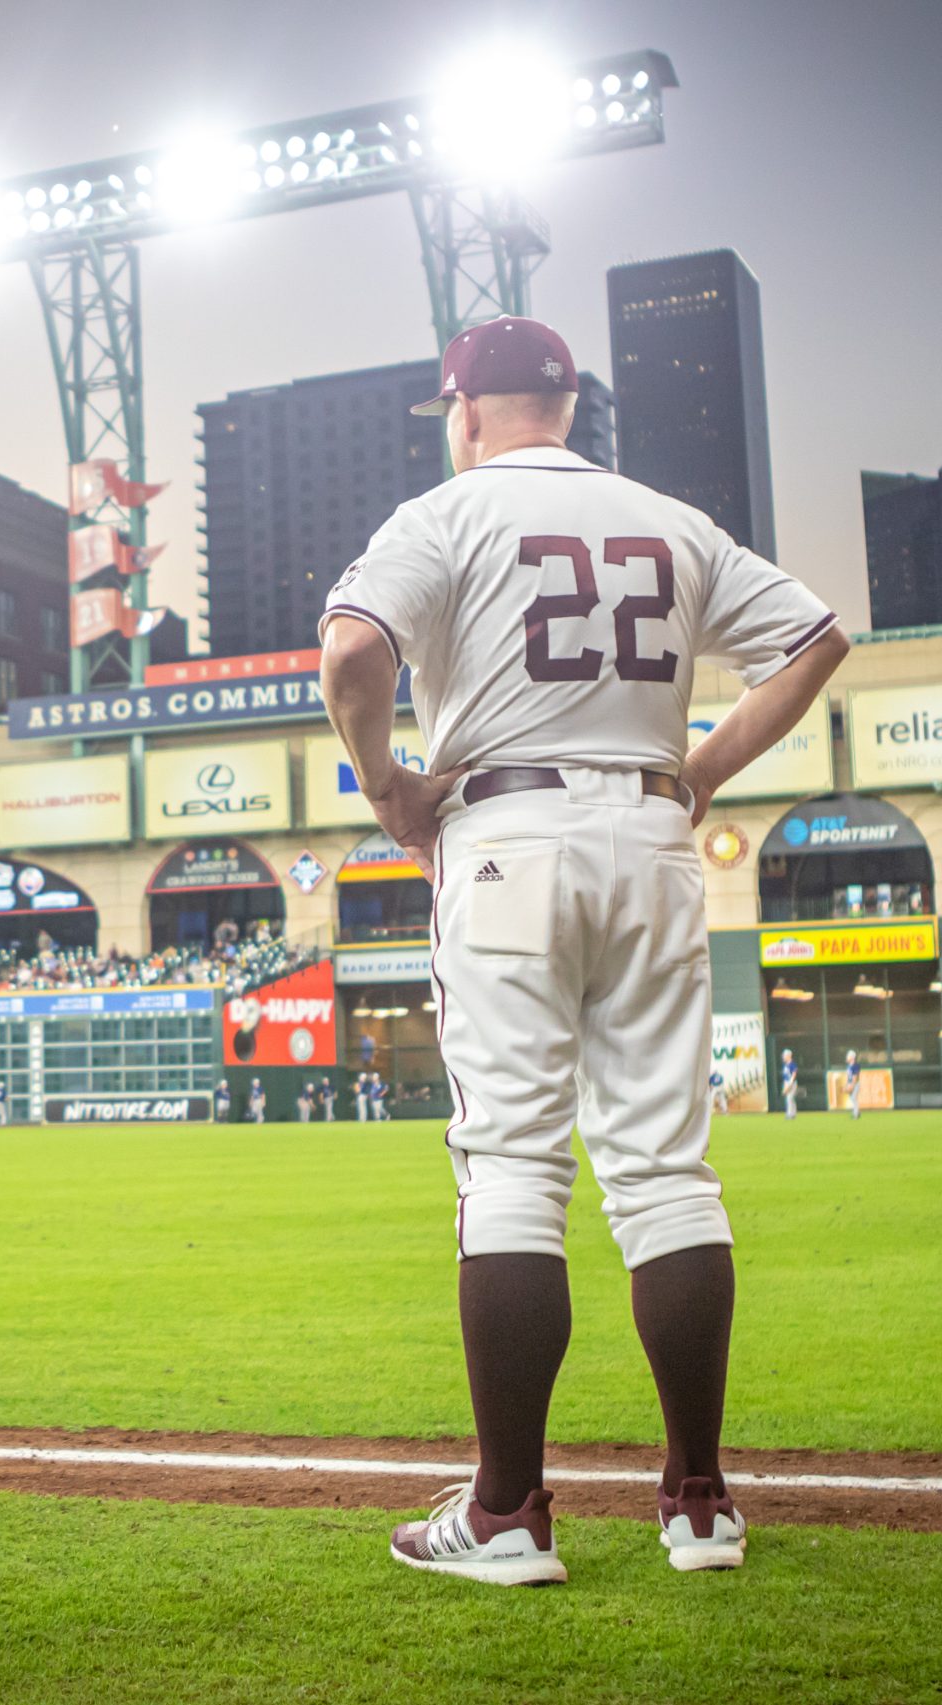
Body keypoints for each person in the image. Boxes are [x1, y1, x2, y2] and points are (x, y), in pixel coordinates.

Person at [318, 315, 846, 1586]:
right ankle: (700, 1506)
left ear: (466, 409)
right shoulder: (670, 519)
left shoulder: (444, 513)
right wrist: (705, 764)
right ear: (566, 406)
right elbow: (820, 639)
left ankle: (506, 1516)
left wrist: (386, 786)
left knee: (510, 1166)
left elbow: (349, 653)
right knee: (666, 1170)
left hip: (507, 831)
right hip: (656, 835)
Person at [780, 1050, 800, 1121]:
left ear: (789, 1056)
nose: (783, 1057)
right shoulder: (785, 1065)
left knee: (790, 1098)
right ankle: (793, 1114)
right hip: (786, 1083)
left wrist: (790, 1083)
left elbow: (794, 1073)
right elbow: (785, 1076)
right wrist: (785, 1086)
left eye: (784, 1055)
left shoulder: (792, 1064)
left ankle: (790, 1114)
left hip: (792, 1083)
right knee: (790, 1099)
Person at [844, 1050, 863, 1121]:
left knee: (854, 1098)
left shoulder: (856, 1065)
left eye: (848, 1056)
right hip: (850, 1084)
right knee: (852, 1098)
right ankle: (857, 1112)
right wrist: (846, 1085)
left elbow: (855, 1077)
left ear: (852, 1057)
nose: (847, 1057)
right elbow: (848, 1076)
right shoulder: (849, 1066)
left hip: (855, 1084)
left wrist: (852, 1085)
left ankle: (856, 1114)